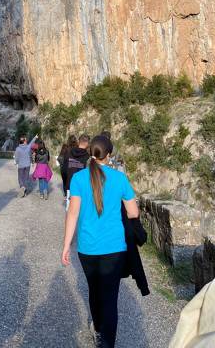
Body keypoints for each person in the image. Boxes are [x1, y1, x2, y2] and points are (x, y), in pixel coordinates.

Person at [61, 135, 139, 348]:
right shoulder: (119, 178)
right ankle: (106, 344)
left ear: (91, 154)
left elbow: (73, 213)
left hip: (87, 248)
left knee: (94, 291)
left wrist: (66, 245)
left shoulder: (78, 179)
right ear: (109, 155)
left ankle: (97, 329)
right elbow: (133, 212)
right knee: (110, 299)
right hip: (114, 248)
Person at [65, 134, 90, 209]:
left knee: (69, 209)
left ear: (79, 142)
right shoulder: (87, 156)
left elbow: (64, 169)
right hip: (81, 187)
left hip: (70, 183)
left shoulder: (69, 153)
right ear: (87, 143)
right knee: (80, 210)